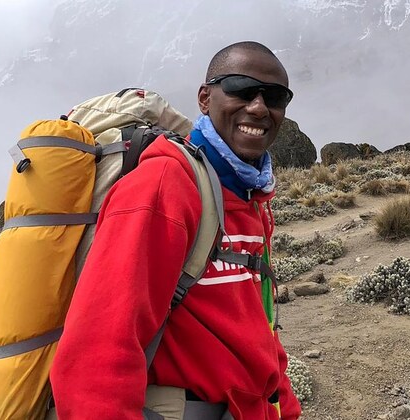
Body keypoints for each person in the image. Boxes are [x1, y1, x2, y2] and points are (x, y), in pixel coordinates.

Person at [50, 41, 302, 420]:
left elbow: (258, 325)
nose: (259, 107)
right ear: (205, 98)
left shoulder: (247, 195)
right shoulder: (166, 183)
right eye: (241, 89)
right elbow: (97, 352)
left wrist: (286, 408)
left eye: (276, 97)